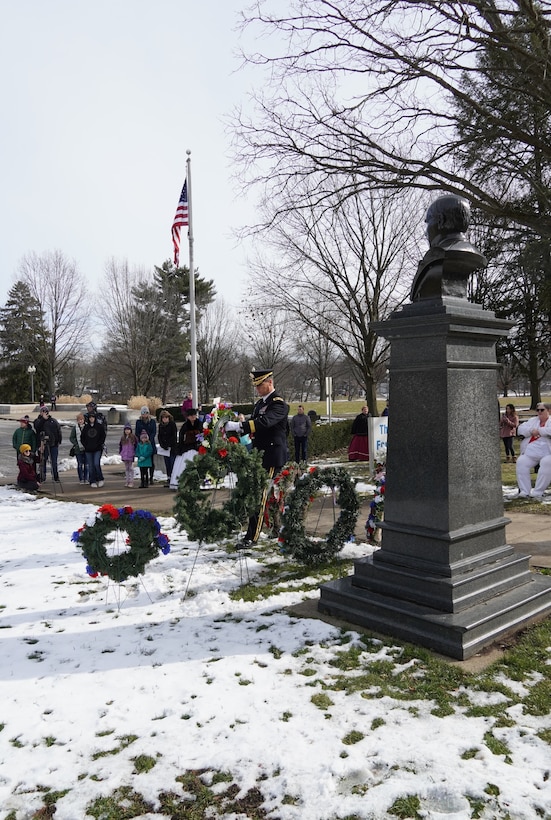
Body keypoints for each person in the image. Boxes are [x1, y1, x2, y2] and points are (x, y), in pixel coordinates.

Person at [224, 369, 290, 547]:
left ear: (269, 383)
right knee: (267, 496)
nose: (257, 389)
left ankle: (251, 538)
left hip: (271, 456)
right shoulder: (260, 404)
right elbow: (255, 423)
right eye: (256, 386)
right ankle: (277, 528)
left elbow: (264, 423)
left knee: (258, 496)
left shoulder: (279, 404)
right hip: (260, 455)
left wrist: (239, 426)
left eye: (260, 385)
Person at [515, 402, 551, 500]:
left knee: (547, 462)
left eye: (542, 410)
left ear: (549, 411)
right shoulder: (532, 420)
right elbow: (521, 429)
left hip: (548, 452)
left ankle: (538, 491)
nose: (539, 412)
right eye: (538, 410)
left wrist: (540, 431)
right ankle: (524, 491)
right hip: (531, 452)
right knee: (521, 462)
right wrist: (531, 431)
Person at [170, 408, 203, 489]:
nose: (193, 417)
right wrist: (181, 446)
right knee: (183, 462)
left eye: (194, 415)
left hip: (197, 446)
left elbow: (203, 433)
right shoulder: (185, 425)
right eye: (191, 416)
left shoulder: (200, 424)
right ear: (188, 417)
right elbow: (181, 436)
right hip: (187, 446)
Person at [33, 406, 63, 482]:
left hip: (53, 444)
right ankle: (42, 477)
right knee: (43, 461)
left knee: (54, 462)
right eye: (42, 411)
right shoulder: (37, 421)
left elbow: (58, 431)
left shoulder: (53, 421)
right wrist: (43, 419)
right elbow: (37, 428)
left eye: (45, 411)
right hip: (43, 445)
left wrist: (59, 441)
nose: (44, 413)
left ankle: (56, 477)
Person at [80, 410, 106, 488]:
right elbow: (82, 438)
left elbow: (103, 436)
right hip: (88, 449)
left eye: (93, 417)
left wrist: (99, 444)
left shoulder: (99, 426)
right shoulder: (86, 427)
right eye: (90, 417)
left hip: (97, 448)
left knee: (96, 464)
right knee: (90, 466)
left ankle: (100, 479)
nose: (91, 419)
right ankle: (92, 480)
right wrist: (85, 445)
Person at [135, 406, 157, 485]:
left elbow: (154, 432)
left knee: (151, 462)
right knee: (143, 463)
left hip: (150, 443)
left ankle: (151, 477)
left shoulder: (152, 422)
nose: (145, 414)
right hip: (142, 444)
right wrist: (141, 439)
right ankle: (143, 478)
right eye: (143, 413)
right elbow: (137, 432)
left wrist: (149, 439)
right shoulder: (138, 422)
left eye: (146, 413)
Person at [158, 409, 178, 485]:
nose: (165, 419)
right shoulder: (160, 426)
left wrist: (168, 444)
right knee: (167, 464)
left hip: (172, 447)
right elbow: (160, 436)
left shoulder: (172, 424)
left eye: (166, 417)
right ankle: (169, 478)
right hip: (164, 448)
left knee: (172, 463)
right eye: (163, 418)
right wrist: (162, 445)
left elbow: (174, 436)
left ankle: (173, 478)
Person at [70, 413, 89, 484]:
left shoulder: (87, 427)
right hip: (78, 449)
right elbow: (71, 437)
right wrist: (76, 443)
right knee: (80, 464)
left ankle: (86, 478)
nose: (80, 421)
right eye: (79, 420)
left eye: (81, 420)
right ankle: (81, 479)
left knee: (87, 464)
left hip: (87, 448)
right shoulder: (75, 428)